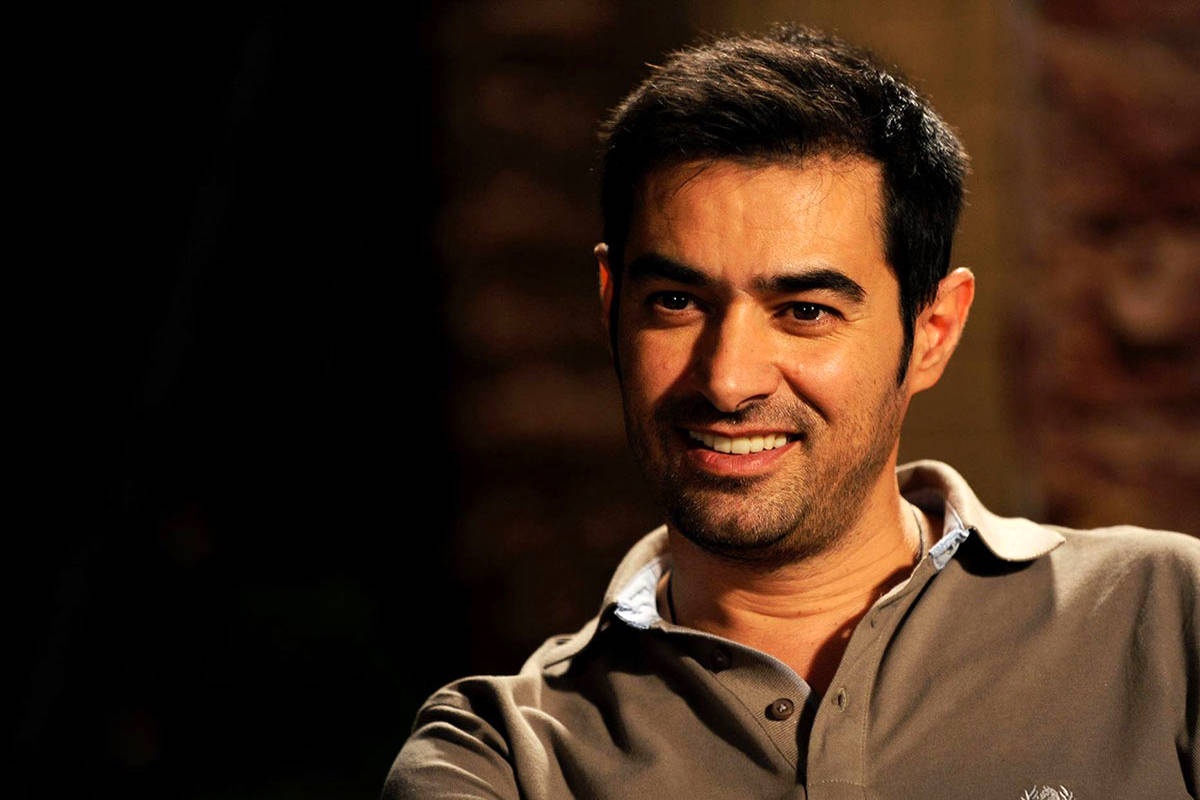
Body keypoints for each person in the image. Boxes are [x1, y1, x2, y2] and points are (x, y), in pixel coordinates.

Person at [387, 25, 1199, 799]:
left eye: (805, 311)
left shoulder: (1165, 618)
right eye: (675, 302)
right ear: (610, 310)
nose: (728, 380)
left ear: (933, 332)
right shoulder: (503, 758)